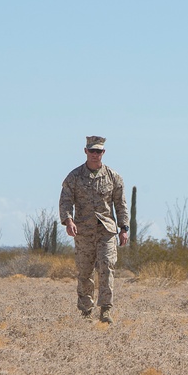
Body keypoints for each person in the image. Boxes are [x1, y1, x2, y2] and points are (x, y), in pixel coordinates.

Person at [59, 136, 129, 324]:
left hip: (106, 231)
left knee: (107, 267)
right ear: (86, 151)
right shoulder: (74, 176)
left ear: (103, 153)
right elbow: (66, 200)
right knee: (85, 272)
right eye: (92, 151)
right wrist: (68, 221)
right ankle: (85, 312)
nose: (95, 154)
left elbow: (120, 204)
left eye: (99, 151)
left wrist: (124, 228)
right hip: (83, 231)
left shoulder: (113, 177)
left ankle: (105, 310)